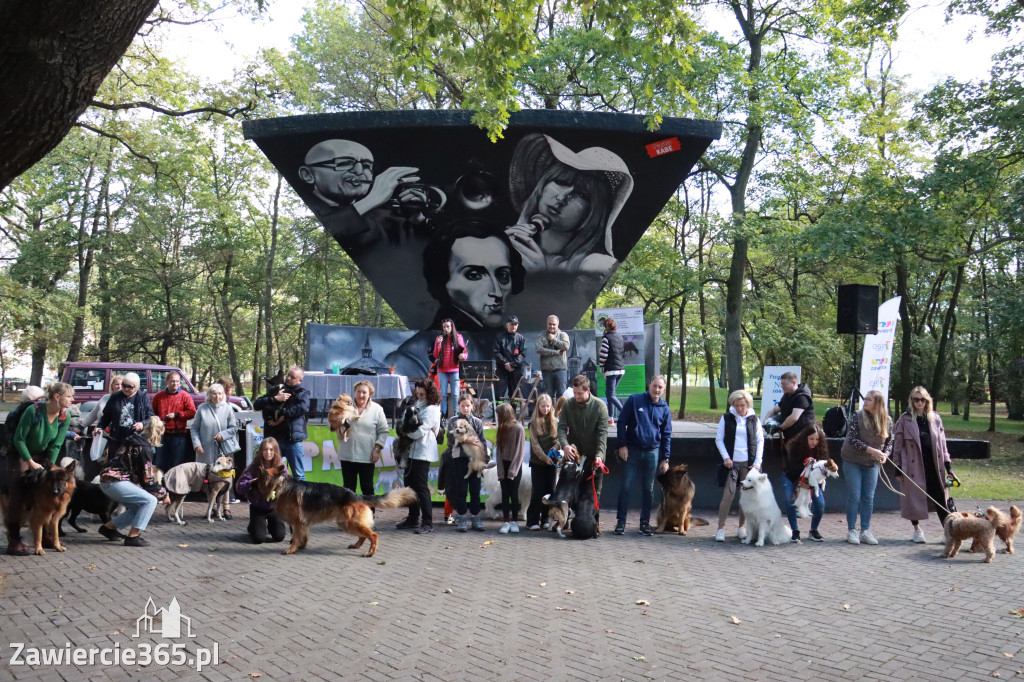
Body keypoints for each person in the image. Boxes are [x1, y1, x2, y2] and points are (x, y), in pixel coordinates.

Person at [506, 133, 633, 275]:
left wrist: (540, 277)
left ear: (594, 212)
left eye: (580, 194)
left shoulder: (597, 266)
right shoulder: (504, 240)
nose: (561, 197)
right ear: (542, 185)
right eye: (560, 182)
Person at [4, 383, 74, 556]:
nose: (73, 399)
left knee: (50, 487)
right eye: (69, 396)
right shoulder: (33, 411)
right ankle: (14, 538)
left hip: (43, 456)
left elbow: (57, 444)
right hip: (20, 453)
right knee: (18, 491)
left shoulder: (65, 416)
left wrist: (50, 466)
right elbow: (19, 439)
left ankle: (47, 534)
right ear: (57, 397)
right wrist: (30, 461)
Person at [892, 386, 953, 543]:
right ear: (911, 400)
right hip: (913, 465)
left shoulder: (936, 418)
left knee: (941, 498)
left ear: (927, 401)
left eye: (922, 399)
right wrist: (897, 467)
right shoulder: (904, 420)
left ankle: (948, 532)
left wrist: (948, 464)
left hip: (934, 464)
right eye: (916, 399)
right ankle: (917, 530)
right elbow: (897, 445)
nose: (919, 402)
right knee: (913, 498)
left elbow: (943, 443)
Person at [614, 375, 672, 537]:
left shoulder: (664, 408)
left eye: (660, 387)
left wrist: (665, 458)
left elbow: (667, 434)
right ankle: (621, 522)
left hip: (652, 452)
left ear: (664, 390)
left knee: (649, 489)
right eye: (655, 386)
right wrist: (622, 445)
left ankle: (645, 523)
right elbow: (621, 422)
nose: (657, 389)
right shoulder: (635, 400)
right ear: (649, 385)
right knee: (625, 486)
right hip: (631, 450)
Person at [96, 423, 162, 548]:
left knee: (138, 507)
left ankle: (108, 528)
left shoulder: (131, 441)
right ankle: (133, 537)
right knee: (150, 501)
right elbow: (147, 478)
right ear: (157, 434)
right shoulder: (144, 448)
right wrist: (163, 494)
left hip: (106, 480)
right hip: (116, 481)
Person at [841, 389, 893, 545]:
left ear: (877, 403)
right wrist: (873, 450)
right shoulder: (857, 416)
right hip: (852, 460)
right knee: (855, 495)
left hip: (872, 464)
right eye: (865, 399)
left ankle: (865, 531)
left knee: (868, 498)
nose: (865, 401)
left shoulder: (887, 420)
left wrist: (885, 455)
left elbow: (890, 442)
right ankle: (851, 530)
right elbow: (852, 439)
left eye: (869, 399)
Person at [557, 375, 609, 530]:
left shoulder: (600, 407)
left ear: (588, 390)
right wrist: (565, 445)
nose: (577, 397)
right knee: (568, 490)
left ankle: (595, 524)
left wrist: (600, 456)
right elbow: (561, 428)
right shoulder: (568, 405)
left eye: (580, 393)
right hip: (574, 457)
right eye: (575, 393)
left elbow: (602, 435)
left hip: (594, 458)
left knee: (593, 493)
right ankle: (562, 521)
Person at [713, 389, 763, 542]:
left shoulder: (754, 419)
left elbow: (760, 441)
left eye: (742, 405)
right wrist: (726, 457)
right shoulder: (726, 418)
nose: (740, 409)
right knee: (728, 495)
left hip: (749, 465)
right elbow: (719, 439)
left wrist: (757, 463)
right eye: (736, 406)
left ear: (748, 404)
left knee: (746, 497)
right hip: (732, 464)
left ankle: (741, 527)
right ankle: (720, 528)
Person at [395, 379, 441, 534]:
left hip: (423, 452)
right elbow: (404, 423)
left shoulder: (432, 409)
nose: (420, 396)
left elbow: (418, 432)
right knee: (409, 485)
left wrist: (403, 431)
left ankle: (428, 522)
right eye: (418, 393)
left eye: (423, 394)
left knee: (421, 487)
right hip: (410, 452)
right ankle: (413, 517)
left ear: (430, 393)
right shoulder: (418, 405)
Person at [253, 366, 310, 481]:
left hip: (292, 440)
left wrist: (283, 416)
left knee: (298, 474)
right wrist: (275, 399)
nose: (288, 378)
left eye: (292, 377)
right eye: (288, 375)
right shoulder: (276, 390)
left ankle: (301, 498)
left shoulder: (303, 393)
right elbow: (257, 404)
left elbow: (303, 408)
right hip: (274, 440)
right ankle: (273, 497)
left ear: (300, 380)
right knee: (271, 473)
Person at [335, 380, 389, 496]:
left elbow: (383, 431)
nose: (361, 395)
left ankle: (370, 513)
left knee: (367, 487)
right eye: (358, 392)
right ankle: (349, 514)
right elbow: (330, 424)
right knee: (348, 489)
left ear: (370, 394)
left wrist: (377, 449)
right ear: (354, 392)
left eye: (364, 392)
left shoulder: (377, 409)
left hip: (367, 456)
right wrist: (339, 420)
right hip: (347, 455)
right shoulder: (343, 406)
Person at [446, 393, 488, 532]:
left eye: (468, 406)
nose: (465, 408)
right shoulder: (453, 421)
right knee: (461, 489)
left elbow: (482, 442)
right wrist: (465, 440)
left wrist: (484, 459)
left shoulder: (477, 422)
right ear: (458, 406)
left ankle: (476, 516)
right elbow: (450, 441)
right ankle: (462, 516)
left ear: (472, 406)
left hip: (476, 459)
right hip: (459, 458)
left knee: (475, 489)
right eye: (463, 406)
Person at [781, 424, 830, 543]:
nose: (814, 442)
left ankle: (813, 530)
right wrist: (801, 481)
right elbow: (791, 468)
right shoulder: (794, 447)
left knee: (820, 503)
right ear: (805, 438)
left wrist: (811, 483)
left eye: (817, 439)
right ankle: (795, 531)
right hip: (791, 477)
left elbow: (824, 469)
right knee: (789, 500)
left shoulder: (821, 450)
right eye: (811, 439)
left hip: (812, 480)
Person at [236, 437, 288, 544]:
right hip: (258, 506)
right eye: (265, 449)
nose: (268, 452)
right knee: (258, 539)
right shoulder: (254, 466)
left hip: (275, 508)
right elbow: (239, 487)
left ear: (275, 451)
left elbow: (289, 484)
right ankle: (253, 526)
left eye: (271, 450)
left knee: (279, 537)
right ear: (261, 451)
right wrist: (252, 482)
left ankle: (269, 526)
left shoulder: (280, 466)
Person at [95, 372, 154, 450]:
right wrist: (99, 427)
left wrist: (142, 424)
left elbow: (150, 417)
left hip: (137, 439)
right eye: (124, 385)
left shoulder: (143, 398)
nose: (126, 389)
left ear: (136, 387)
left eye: (129, 387)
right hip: (117, 438)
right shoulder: (115, 397)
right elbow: (106, 416)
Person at [151, 371, 197, 472]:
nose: (175, 384)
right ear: (167, 381)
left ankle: (174, 485)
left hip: (178, 435)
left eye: (177, 381)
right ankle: (158, 485)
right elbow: (151, 413)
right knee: (159, 462)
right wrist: (157, 420)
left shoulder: (185, 396)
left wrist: (177, 415)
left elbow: (192, 412)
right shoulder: (159, 396)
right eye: (172, 381)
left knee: (177, 464)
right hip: (161, 435)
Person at [526, 393, 559, 531]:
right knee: (537, 492)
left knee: (550, 491)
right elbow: (535, 445)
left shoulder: (555, 421)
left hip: (552, 462)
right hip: (538, 463)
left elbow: (559, 440)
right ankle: (532, 520)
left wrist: (555, 448)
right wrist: (545, 457)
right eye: (542, 406)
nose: (545, 409)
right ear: (538, 406)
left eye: (547, 406)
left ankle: (546, 519)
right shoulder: (533, 423)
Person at [494, 403, 526, 534]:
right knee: (504, 495)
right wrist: (501, 470)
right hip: (504, 466)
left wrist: (512, 471)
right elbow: (499, 452)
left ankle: (514, 521)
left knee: (514, 494)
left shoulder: (519, 429)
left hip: (515, 467)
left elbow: (519, 452)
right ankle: (506, 521)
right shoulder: (501, 429)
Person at [430, 318, 467, 422]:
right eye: (444, 327)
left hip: (455, 369)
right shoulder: (440, 338)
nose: (446, 329)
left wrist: (462, 356)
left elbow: (465, 353)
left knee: (455, 393)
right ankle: (442, 415)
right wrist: (438, 344)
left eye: (448, 327)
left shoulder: (458, 337)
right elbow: (436, 355)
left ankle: (456, 415)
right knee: (443, 393)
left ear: (452, 327)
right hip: (442, 369)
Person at [80, 374, 122, 463]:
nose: (119, 387)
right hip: (101, 435)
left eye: (122, 384)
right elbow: (93, 414)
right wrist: (80, 426)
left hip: (116, 437)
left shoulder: (126, 400)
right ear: (112, 386)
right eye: (117, 384)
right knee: (95, 461)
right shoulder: (105, 398)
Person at [765, 371, 815, 442]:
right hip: (790, 436)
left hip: (803, 437)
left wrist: (778, 429)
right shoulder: (787, 395)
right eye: (781, 384)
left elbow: (793, 418)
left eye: (785, 384)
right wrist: (766, 422)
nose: (782, 386)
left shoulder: (802, 397)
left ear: (794, 383)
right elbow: (774, 410)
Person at [536, 315, 571, 400]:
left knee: (562, 395)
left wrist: (553, 339)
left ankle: (562, 413)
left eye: (554, 324)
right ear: (546, 324)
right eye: (549, 324)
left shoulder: (563, 335)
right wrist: (554, 352)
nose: (551, 326)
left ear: (557, 324)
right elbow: (539, 349)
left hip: (560, 370)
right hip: (547, 371)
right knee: (549, 396)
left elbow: (566, 346)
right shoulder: (541, 336)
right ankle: (550, 413)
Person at [493, 314, 526, 401]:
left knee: (515, 393)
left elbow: (522, 354)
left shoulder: (521, 339)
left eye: (516, 324)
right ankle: (498, 412)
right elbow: (496, 353)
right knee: (499, 392)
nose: (514, 326)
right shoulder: (500, 337)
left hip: (515, 370)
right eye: (512, 324)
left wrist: (512, 364)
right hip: (502, 369)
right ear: (507, 325)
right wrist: (505, 363)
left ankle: (513, 412)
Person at [598, 317, 625, 420]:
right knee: (611, 394)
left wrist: (601, 366)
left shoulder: (606, 338)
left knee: (610, 395)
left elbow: (603, 355)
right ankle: (610, 419)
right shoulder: (620, 337)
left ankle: (625, 413)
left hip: (611, 370)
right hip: (621, 369)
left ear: (606, 327)